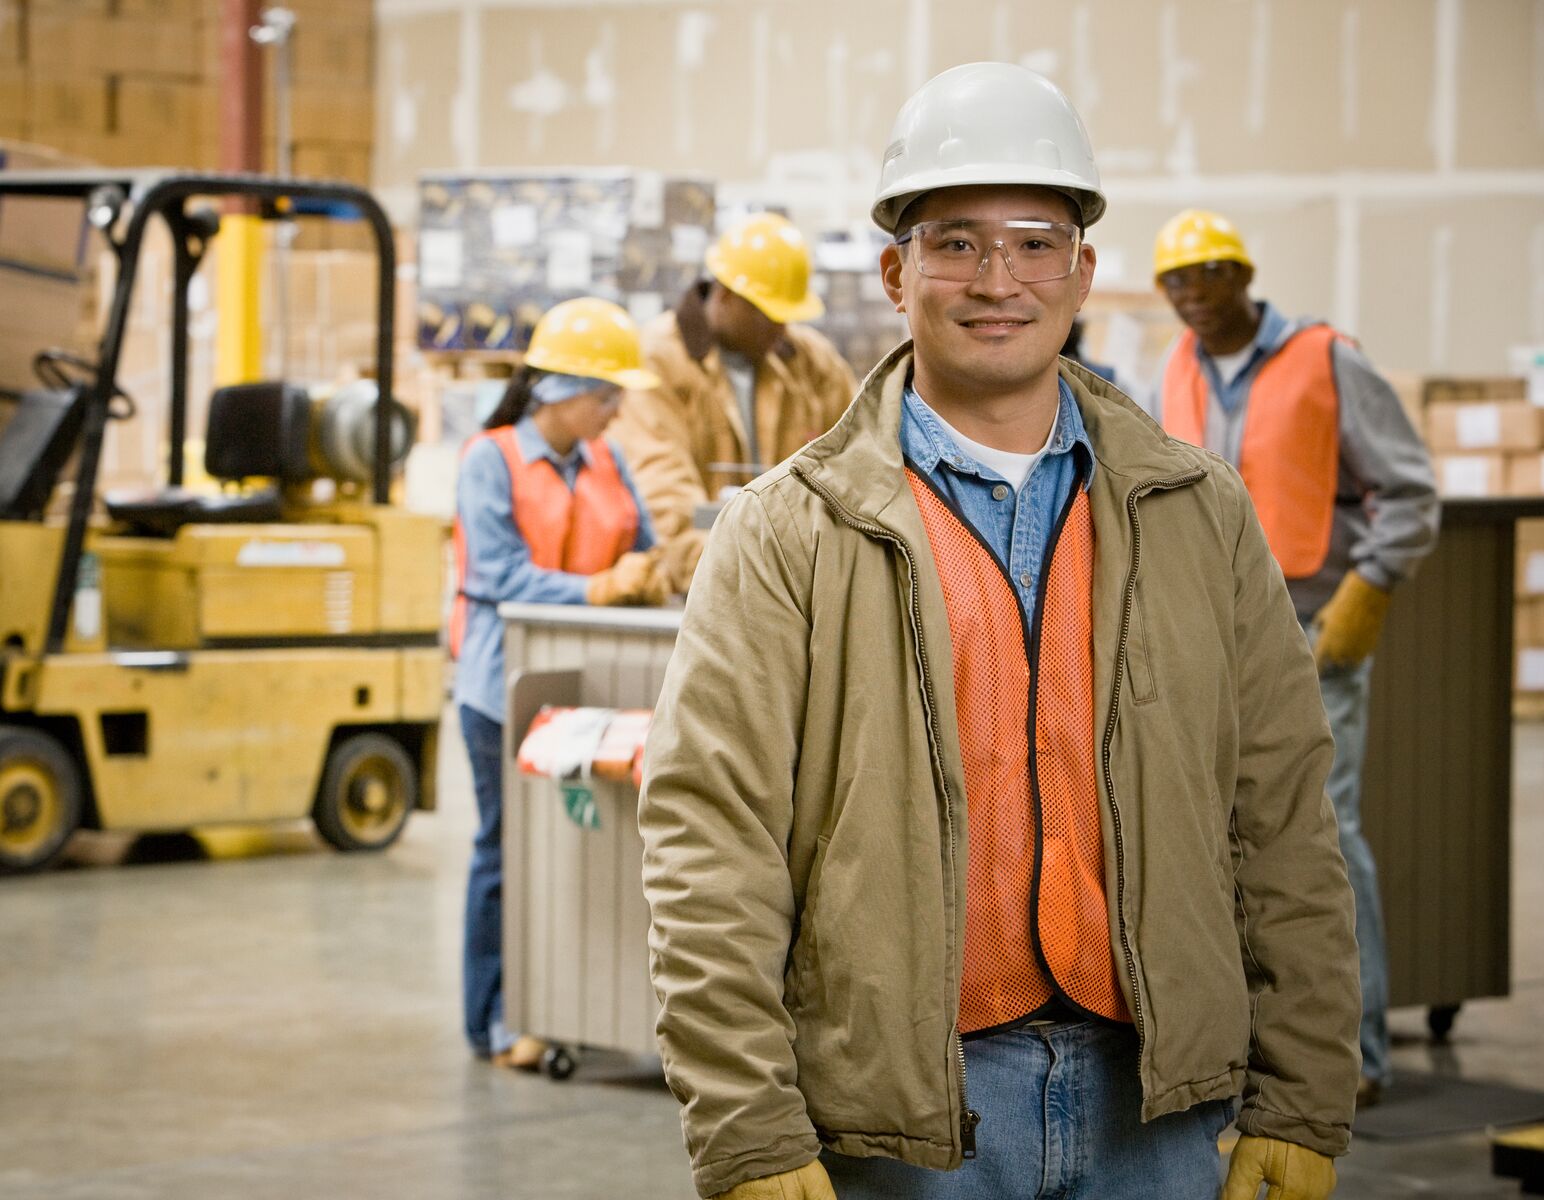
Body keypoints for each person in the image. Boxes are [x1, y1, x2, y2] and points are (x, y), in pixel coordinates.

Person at [639, 62, 1359, 1200]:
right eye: (956, 242)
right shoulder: (786, 530)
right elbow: (708, 841)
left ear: (1080, 270)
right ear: (894, 271)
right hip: (905, 1121)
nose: (997, 279)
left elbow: (1278, 817)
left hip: (1159, 1112)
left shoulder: (1198, 514)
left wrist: (1303, 1093)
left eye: (1034, 241)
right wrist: (748, 1128)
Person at [1149, 208, 1440, 1109]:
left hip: (1314, 637)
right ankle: (1242, 1054)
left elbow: (1411, 491)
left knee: (1323, 837)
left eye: (1207, 274)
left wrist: (1371, 587)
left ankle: (1352, 1057)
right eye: (1175, 280)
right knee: (1216, 841)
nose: (1191, 294)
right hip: (1214, 636)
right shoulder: (1177, 370)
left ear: (1243, 275)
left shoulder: (1326, 359)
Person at [451, 297, 669, 1070]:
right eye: (606, 395)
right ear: (562, 392)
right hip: (500, 686)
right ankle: (497, 1019)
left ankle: (563, 1001)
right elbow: (498, 573)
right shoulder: (492, 459)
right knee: (507, 851)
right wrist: (598, 590)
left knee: (578, 848)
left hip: (593, 678)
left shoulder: (607, 462)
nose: (615, 411)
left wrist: (647, 570)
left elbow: (643, 545)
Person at [610, 212, 857, 589]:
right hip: (711, 586)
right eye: (768, 314)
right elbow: (665, 495)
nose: (781, 327)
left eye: (787, 315)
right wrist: (739, 577)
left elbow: (863, 453)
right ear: (725, 296)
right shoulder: (659, 360)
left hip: (798, 581)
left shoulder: (810, 362)